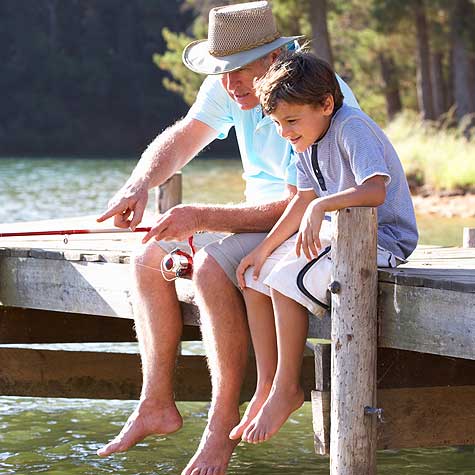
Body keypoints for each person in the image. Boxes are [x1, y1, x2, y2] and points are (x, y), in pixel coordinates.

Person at [95, 2, 359, 474]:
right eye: (222, 70)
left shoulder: (315, 95)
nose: (229, 82)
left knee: (211, 267)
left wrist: (201, 216)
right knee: (147, 259)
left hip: (307, 227)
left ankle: (221, 425)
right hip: (256, 220)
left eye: (238, 70)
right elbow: (182, 137)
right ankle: (156, 405)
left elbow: (304, 201)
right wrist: (138, 184)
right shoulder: (230, 88)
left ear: (274, 59)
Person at [232, 50, 418, 444]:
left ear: (326, 104)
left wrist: (323, 204)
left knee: (284, 280)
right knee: (256, 275)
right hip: (343, 236)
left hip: (382, 240)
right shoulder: (305, 138)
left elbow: (374, 190)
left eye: (291, 121)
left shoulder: (352, 128)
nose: (285, 132)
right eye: (278, 124)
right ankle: (269, 383)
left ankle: (287, 388)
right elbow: (302, 199)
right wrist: (264, 248)